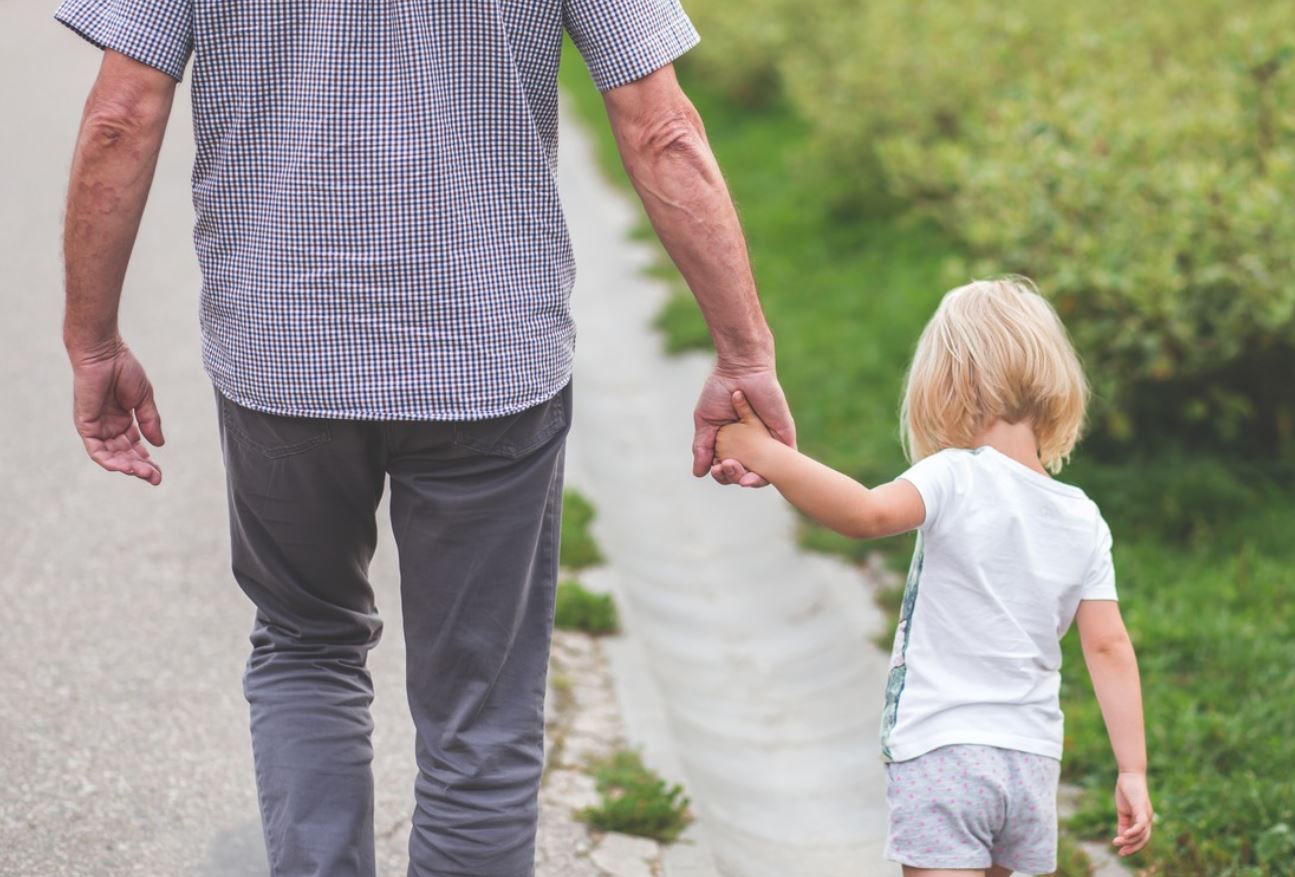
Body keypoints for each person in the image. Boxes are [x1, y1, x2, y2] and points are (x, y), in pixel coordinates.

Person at [54, 0, 793, 874]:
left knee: (304, 645)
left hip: (283, 356)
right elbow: (660, 126)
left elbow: (120, 116)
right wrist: (742, 348)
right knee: (480, 709)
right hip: (489, 360)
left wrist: (93, 337)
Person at [714, 277, 1153, 876]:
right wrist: (1132, 771)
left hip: (944, 750)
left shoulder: (955, 474)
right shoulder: (1081, 515)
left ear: (948, 384)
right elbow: (1108, 646)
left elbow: (865, 513)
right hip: (1031, 763)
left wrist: (765, 453)